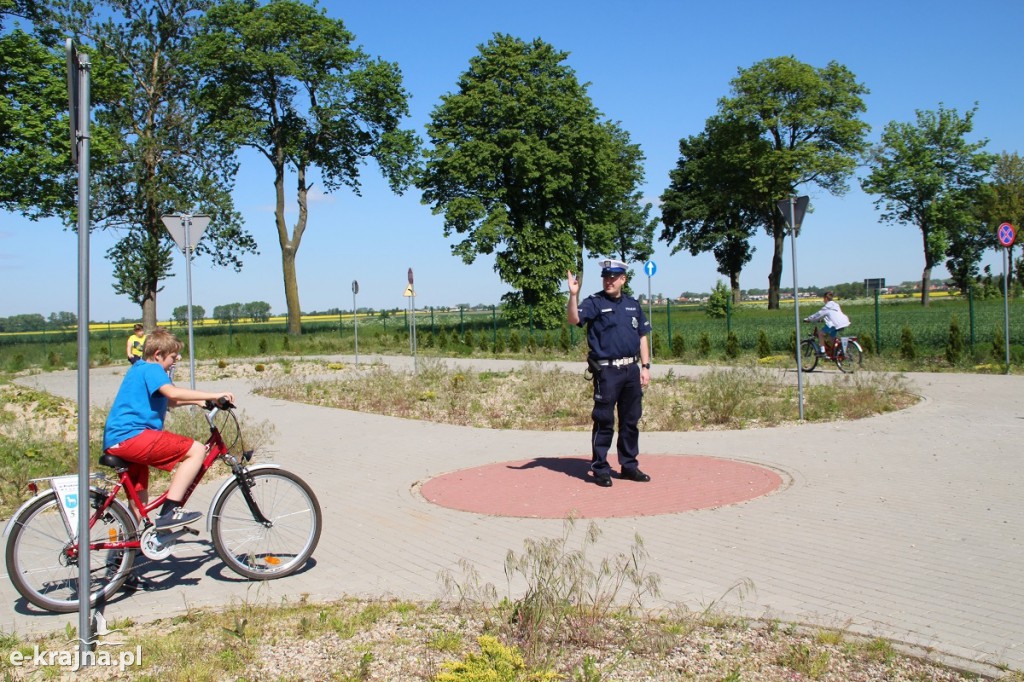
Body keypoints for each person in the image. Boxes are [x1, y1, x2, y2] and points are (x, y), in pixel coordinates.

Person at [103, 328, 235, 530]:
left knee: (139, 505)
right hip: (133, 437)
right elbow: (171, 392)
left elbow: (170, 400)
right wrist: (213, 395)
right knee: (197, 450)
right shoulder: (153, 369)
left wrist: (200, 401)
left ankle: (119, 556)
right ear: (158, 355)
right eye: (173, 357)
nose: (175, 361)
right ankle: (170, 512)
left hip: (119, 440)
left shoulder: (138, 369)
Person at [567, 258, 652, 488]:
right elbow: (574, 319)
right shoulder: (594, 302)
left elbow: (643, 336)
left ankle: (629, 466)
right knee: (604, 421)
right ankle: (600, 468)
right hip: (607, 371)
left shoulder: (633, 305)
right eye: (606, 277)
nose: (608, 281)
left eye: (613, 278)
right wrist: (573, 295)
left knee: (631, 421)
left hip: (631, 371)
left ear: (623, 279)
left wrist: (645, 367)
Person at [803, 291, 851, 356]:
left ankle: (822, 352)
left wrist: (809, 319)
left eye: (823, 299)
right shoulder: (836, 305)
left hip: (835, 323)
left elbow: (818, 314)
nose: (823, 300)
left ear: (825, 298)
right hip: (843, 322)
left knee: (820, 333)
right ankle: (836, 353)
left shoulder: (827, 307)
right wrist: (822, 320)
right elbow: (833, 315)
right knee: (831, 338)